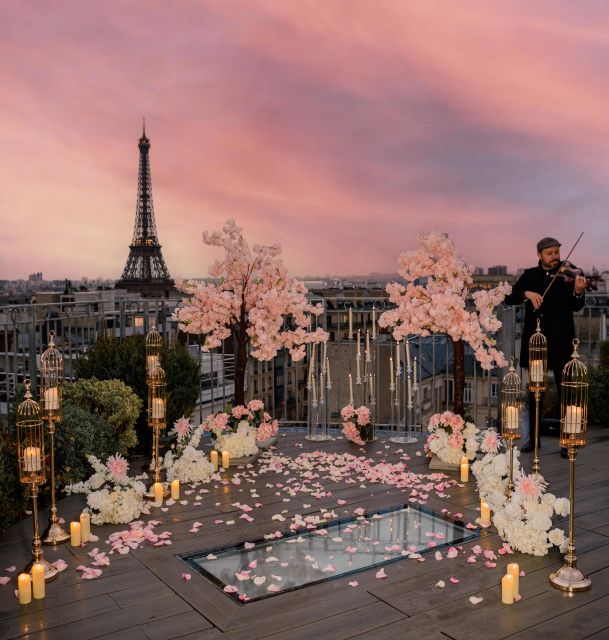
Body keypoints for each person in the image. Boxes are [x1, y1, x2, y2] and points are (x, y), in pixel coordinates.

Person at [504, 237, 587, 457]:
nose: (555, 257)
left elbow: (577, 306)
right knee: (535, 393)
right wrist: (526, 294)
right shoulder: (530, 275)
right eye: (550, 253)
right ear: (539, 254)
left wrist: (578, 291)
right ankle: (534, 439)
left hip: (561, 341)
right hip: (537, 343)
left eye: (557, 252)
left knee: (565, 392)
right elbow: (509, 297)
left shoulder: (569, 275)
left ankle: (566, 441)